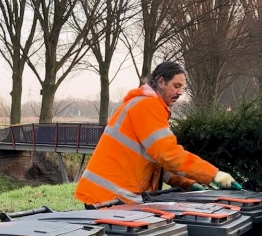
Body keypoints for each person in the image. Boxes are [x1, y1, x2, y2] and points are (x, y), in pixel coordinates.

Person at [74, 61, 239, 206]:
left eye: (182, 87)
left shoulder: (146, 105)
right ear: (161, 81)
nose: (180, 92)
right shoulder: (147, 107)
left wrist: (187, 183)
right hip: (109, 198)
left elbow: (158, 163)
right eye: (177, 85)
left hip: (110, 197)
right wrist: (214, 175)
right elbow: (169, 155)